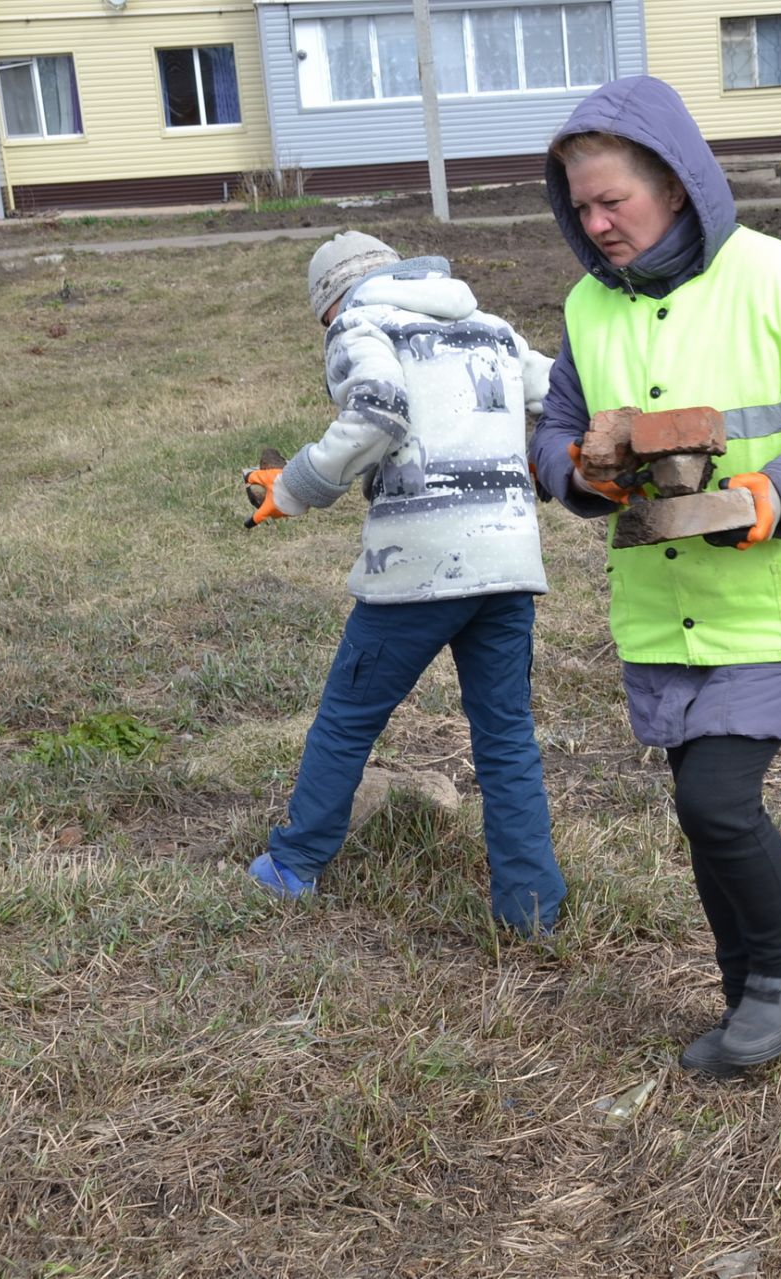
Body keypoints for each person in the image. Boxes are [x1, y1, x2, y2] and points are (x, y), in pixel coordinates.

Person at [529, 77, 781, 1076]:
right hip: (667, 616)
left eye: (615, 200)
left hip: (778, 603)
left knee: (717, 802)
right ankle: (746, 993)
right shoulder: (587, 308)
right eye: (581, 204)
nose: (595, 222)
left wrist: (777, 495)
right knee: (699, 800)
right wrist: (578, 470)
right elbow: (558, 428)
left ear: (679, 187)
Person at [242, 230, 567, 935]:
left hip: (417, 566)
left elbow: (378, 410)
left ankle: (293, 865)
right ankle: (532, 908)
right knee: (506, 734)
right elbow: (563, 395)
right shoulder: (493, 328)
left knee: (349, 717)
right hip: (507, 561)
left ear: (330, 303)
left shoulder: (361, 323)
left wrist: (294, 487)